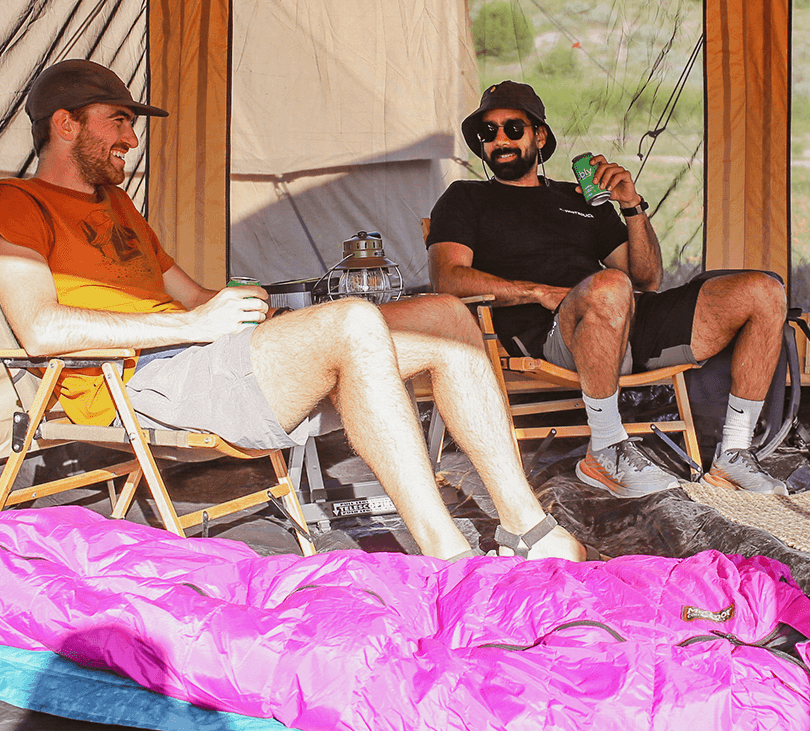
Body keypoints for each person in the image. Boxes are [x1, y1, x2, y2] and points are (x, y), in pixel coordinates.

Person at [0, 60, 585, 563]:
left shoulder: (117, 204)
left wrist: (260, 308)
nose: (131, 138)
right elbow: (39, 328)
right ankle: (446, 553)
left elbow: (195, 297)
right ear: (66, 124)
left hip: (203, 354)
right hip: (137, 379)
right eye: (119, 120)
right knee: (352, 321)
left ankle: (525, 525)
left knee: (447, 315)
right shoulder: (16, 203)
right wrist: (192, 325)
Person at [426, 81, 789, 497]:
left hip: (621, 314)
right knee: (610, 286)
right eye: (488, 132)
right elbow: (448, 277)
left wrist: (631, 206)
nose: (500, 140)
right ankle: (605, 449)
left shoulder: (580, 198)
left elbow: (646, 279)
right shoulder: (466, 197)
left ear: (539, 136)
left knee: (764, 290)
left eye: (512, 128)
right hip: (552, 334)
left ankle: (735, 454)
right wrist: (540, 293)